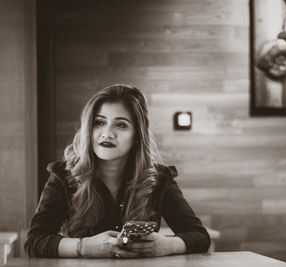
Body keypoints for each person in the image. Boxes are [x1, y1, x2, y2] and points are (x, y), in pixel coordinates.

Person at [24, 84, 210, 258]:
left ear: (137, 135)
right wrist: (83, 246)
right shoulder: (63, 176)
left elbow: (200, 236)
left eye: (121, 125)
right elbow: (34, 241)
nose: (107, 133)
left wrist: (167, 246)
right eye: (99, 122)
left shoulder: (159, 178)